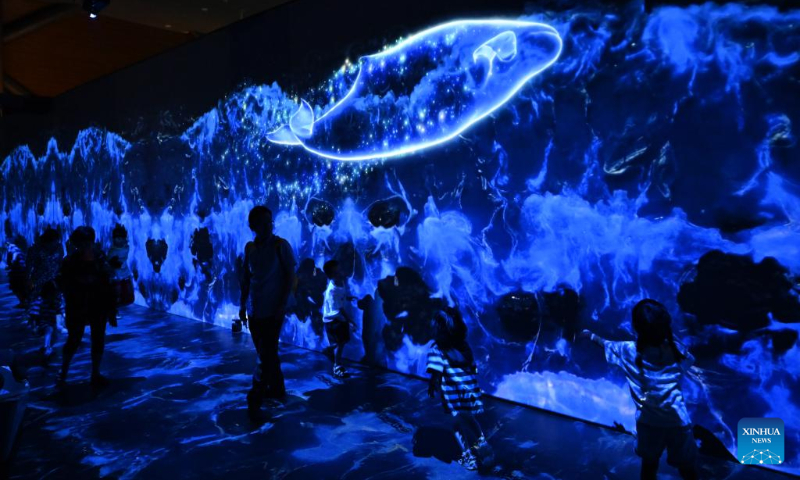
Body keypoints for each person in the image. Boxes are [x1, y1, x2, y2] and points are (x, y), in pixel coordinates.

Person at [581, 299, 698, 480]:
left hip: (648, 423)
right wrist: (668, 336)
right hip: (678, 422)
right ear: (666, 326)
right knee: (686, 468)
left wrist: (589, 335)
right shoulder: (676, 350)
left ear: (636, 327)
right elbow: (690, 361)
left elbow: (605, 343)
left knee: (649, 466)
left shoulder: (628, 350)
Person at [239, 206, 297, 421]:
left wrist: (283, 303)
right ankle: (278, 388)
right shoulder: (250, 249)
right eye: (262, 222)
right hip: (254, 309)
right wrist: (242, 305)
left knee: (267, 353)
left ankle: (256, 393)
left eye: (269, 221)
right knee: (267, 353)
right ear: (253, 226)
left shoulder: (281, 246)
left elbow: (291, 275)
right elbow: (246, 279)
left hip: (273, 310)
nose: (268, 225)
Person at [427, 305, 491, 471]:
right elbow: (472, 367)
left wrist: (432, 386)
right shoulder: (463, 345)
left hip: (452, 393)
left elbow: (436, 372)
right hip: (469, 390)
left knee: (456, 423)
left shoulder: (436, 349)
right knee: (469, 417)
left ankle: (468, 457)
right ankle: (482, 444)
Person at [57, 227, 116, 388]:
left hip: (97, 304)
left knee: (97, 338)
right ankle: (63, 373)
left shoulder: (99, 257)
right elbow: (64, 284)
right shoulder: (70, 261)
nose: (87, 245)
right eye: (83, 242)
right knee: (74, 339)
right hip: (78, 305)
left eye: (88, 242)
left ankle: (94, 373)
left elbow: (108, 279)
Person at [321, 259, 357, 378]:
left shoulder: (340, 282)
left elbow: (340, 299)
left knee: (342, 342)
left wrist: (347, 298)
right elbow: (340, 309)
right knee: (340, 343)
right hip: (333, 319)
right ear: (333, 274)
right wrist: (350, 321)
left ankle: (330, 350)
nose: (341, 271)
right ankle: (337, 366)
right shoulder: (333, 290)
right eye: (338, 270)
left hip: (336, 317)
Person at [25, 227, 63, 327]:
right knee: (37, 301)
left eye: (57, 240)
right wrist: (28, 280)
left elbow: (60, 262)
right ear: (47, 240)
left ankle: (54, 322)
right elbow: (29, 266)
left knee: (55, 300)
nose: (55, 243)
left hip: (54, 278)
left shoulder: (59, 247)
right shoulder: (35, 249)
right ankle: (35, 321)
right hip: (39, 279)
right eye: (53, 241)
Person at [107, 224, 135, 310]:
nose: (117, 240)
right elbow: (109, 263)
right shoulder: (113, 251)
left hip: (124, 272)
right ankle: (115, 308)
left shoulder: (126, 247)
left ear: (124, 239)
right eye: (116, 238)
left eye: (119, 238)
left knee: (127, 293)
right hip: (116, 274)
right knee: (117, 292)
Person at [35, 281, 62, 357]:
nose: (54, 295)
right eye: (52, 293)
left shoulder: (56, 301)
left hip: (52, 322)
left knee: (55, 337)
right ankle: (47, 347)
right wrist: (34, 325)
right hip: (42, 322)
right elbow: (34, 313)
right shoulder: (40, 301)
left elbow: (59, 312)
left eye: (55, 293)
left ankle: (47, 348)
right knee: (49, 329)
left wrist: (59, 324)